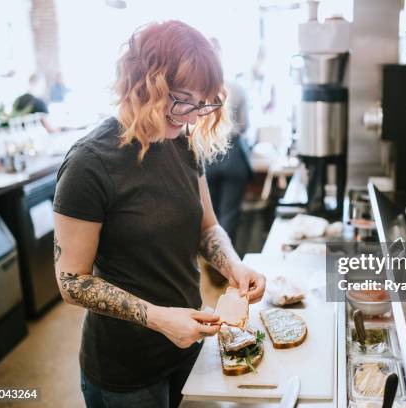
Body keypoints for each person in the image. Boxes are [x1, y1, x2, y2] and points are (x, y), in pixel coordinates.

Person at [52, 21, 265, 408]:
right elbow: (71, 281)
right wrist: (159, 318)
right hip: (126, 369)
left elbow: (207, 227)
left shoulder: (182, 144)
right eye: (183, 99)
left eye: (202, 103)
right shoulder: (90, 163)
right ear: (141, 81)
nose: (192, 117)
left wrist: (234, 265)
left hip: (188, 346)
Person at [205, 38, 253, 243]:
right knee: (229, 215)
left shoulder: (201, 89)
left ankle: (211, 268)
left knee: (211, 217)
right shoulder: (237, 88)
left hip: (208, 155)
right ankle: (227, 270)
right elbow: (244, 125)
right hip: (232, 155)